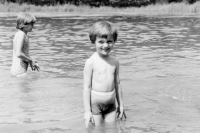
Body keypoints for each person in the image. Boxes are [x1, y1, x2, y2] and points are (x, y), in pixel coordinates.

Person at [83, 21, 126, 128]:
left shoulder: (115, 62)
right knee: (96, 130)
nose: (105, 45)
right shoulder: (91, 62)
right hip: (96, 105)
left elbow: (118, 85)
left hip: (111, 105)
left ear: (114, 41)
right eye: (101, 41)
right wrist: (87, 111)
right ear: (94, 41)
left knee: (112, 129)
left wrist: (121, 106)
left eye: (109, 41)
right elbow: (86, 88)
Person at [10, 12, 39, 77]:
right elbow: (19, 54)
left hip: (16, 70)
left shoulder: (21, 34)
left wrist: (31, 62)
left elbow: (23, 53)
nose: (33, 26)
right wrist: (30, 60)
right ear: (24, 24)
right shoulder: (21, 35)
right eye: (31, 24)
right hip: (20, 71)